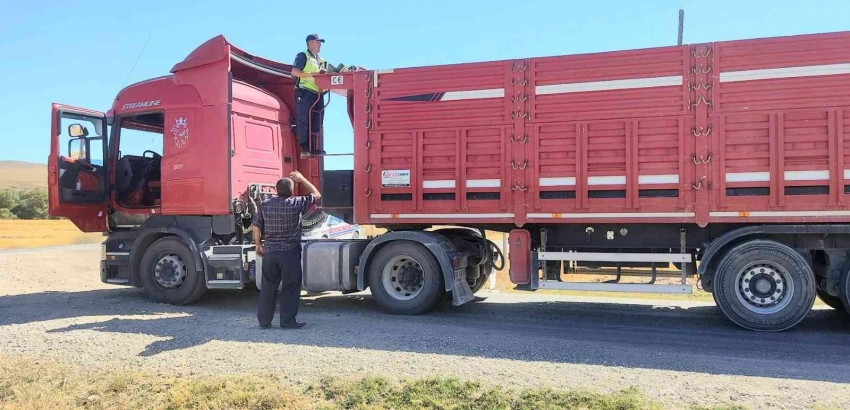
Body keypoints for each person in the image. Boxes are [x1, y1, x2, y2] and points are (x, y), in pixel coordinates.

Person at [252, 170, 322, 329]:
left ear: (276, 190)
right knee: (290, 287)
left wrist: (258, 244)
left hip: (270, 252)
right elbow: (317, 195)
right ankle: (287, 321)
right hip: (289, 252)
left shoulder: (265, 205)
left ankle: (264, 321)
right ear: (291, 191)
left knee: (268, 287)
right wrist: (302, 179)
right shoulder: (296, 203)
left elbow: (256, 225)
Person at [291, 34, 330, 159]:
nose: (320, 45)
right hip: (305, 91)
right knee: (304, 120)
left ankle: (313, 148)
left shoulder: (322, 60)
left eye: (320, 43)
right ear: (310, 43)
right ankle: (304, 148)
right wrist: (313, 74)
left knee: (317, 121)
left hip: (318, 93)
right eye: (317, 42)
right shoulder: (303, 55)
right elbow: (294, 72)